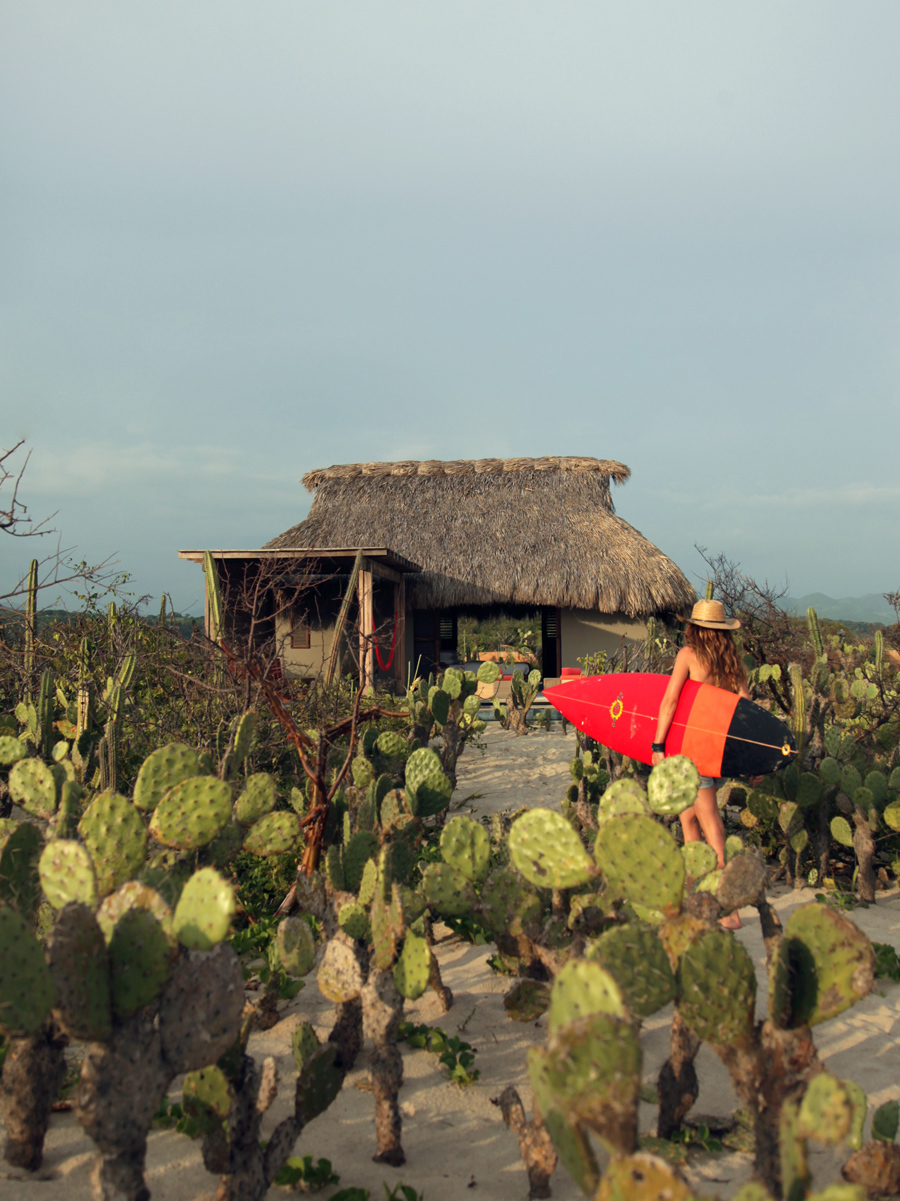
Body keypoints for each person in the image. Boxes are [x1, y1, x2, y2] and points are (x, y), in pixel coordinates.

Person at [651, 598, 749, 928]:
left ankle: (728, 910)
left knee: (712, 829)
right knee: (689, 821)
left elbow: (671, 700)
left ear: (694, 627)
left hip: (691, 752)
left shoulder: (688, 656)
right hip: (719, 753)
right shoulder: (733, 662)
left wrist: (658, 743)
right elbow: (745, 708)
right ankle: (697, 899)